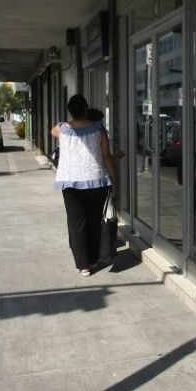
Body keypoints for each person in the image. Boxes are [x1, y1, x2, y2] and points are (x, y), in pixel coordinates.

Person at [51, 94, 118, 277]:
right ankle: (94, 258)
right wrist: (114, 177)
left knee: (76, 223)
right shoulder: (99, 129)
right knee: (94, 221)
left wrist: (70, 122)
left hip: (70, 182)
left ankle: (83, 266)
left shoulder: (62, 128)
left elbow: (53, 131)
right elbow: (106, 156)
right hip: (96, 180)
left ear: (71, 112)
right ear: (86, 108)